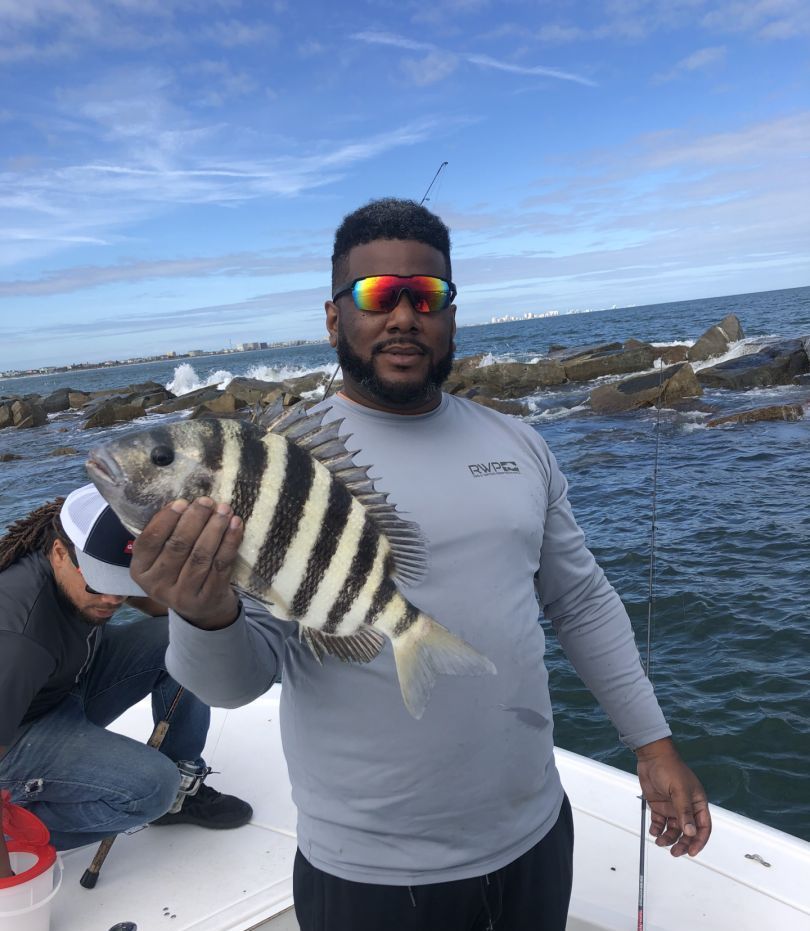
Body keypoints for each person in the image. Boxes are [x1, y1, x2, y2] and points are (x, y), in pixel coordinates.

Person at [125, 197, 712, 931]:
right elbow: (237, 683)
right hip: (365, 873)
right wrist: (201, 609)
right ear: (334, 317)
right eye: (376, 295)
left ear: (451, 314)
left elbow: (583, 603)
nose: (404, 315)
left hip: (534, 832)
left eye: (425, 295)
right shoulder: (275, 467)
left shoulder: (520, 442)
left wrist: (653, 745)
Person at [0, 484, 252, 879]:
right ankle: (19, 833)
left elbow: (157, 609)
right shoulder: (16, 639)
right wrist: (9, 879)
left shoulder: (79, 565)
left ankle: (182, 792)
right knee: (153, 787)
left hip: (67, 682)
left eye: (126, 582)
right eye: (101, 584)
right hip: (17, 735)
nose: (114, 599)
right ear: (59, 554)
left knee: (183, 639)